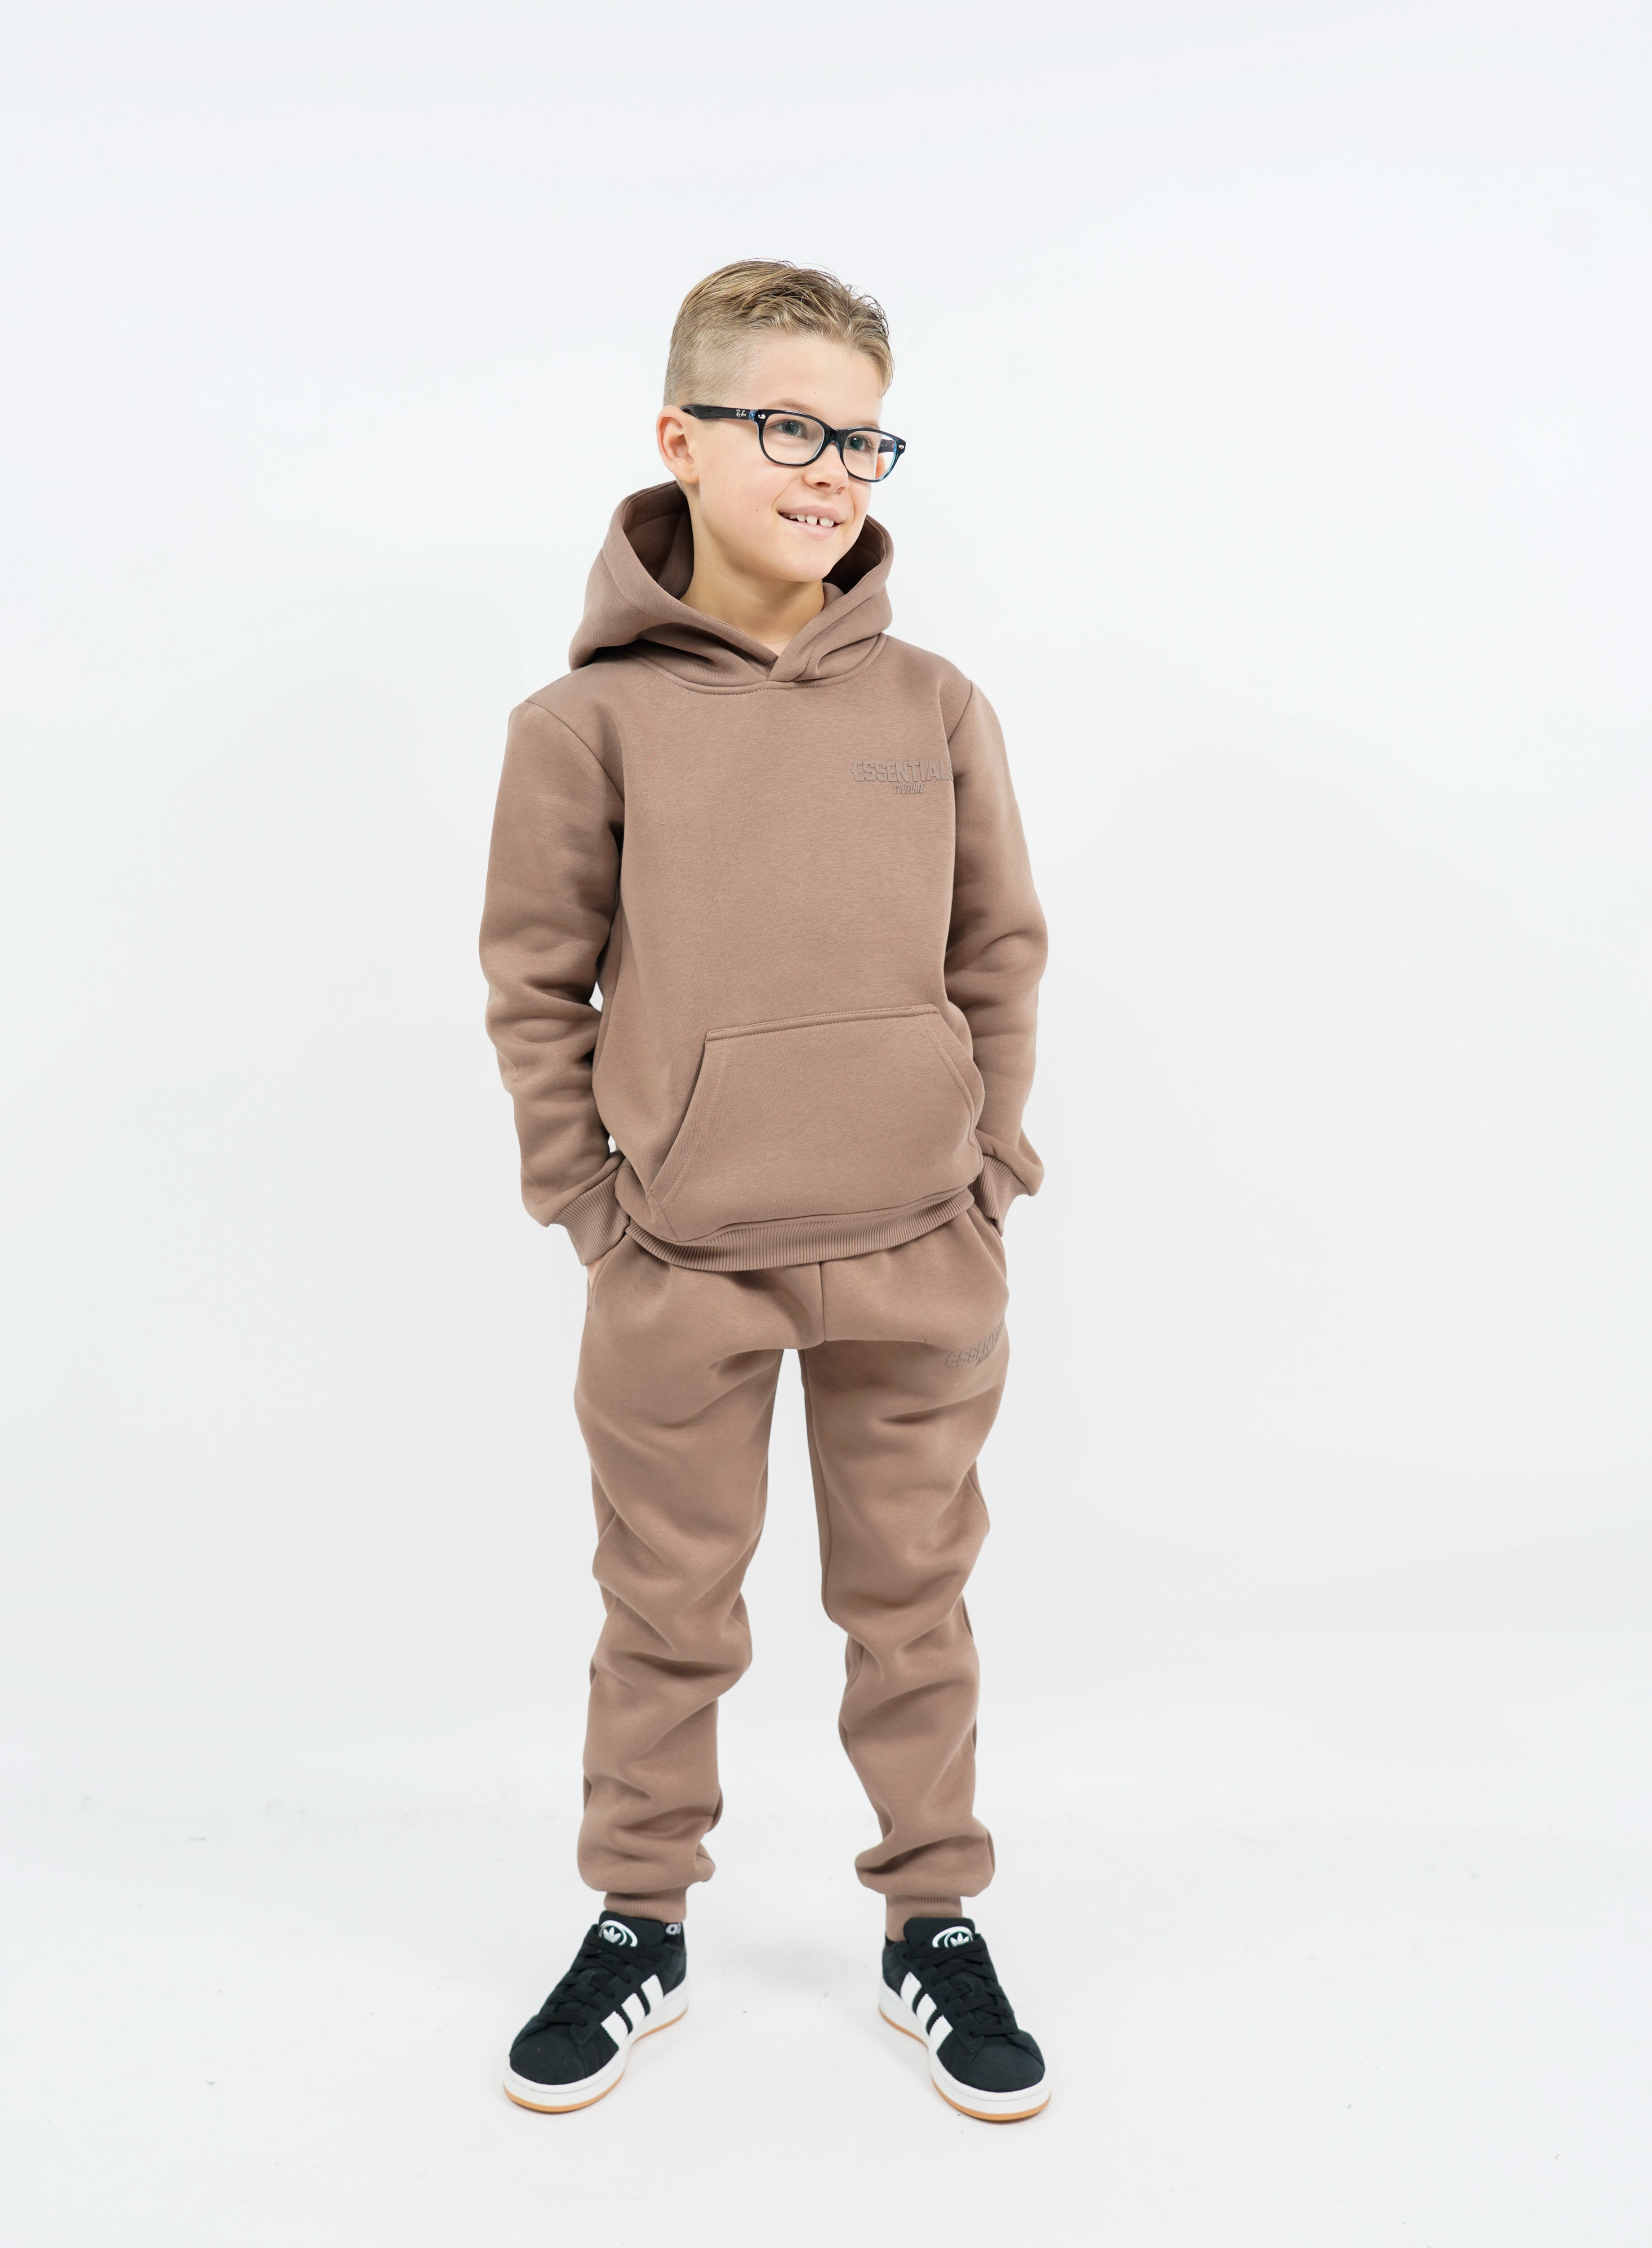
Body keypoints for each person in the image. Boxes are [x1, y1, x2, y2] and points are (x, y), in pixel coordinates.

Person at [477, 260, 1050, 2121]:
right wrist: (592, 1208)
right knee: (666, 1612)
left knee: (915, 1609)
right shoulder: (583, 728)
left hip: (916, 1245)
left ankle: (932, 1922)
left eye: (864, 439)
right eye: (790, 427)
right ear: (681, 439)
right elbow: (534, 985)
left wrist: (988, 1167)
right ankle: (638, 1919)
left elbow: (997, 951)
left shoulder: (936, 703)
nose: (833, 471)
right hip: (681, 1263)